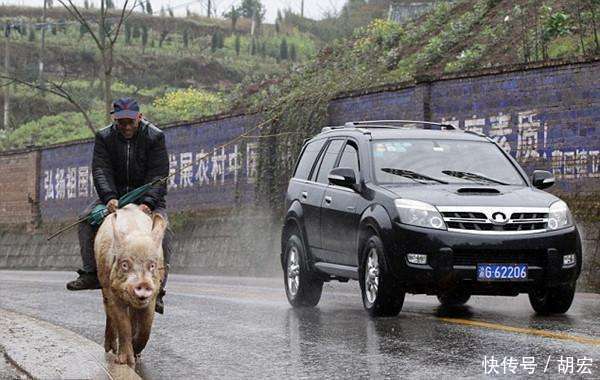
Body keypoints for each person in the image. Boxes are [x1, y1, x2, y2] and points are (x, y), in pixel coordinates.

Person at [66, 97, 173, 314]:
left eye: (130, 122)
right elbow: (101, 170)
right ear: (115, 120)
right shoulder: (104, 137)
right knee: (86, 219)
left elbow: (159, 175)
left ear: (139, 118)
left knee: (165, 232)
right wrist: (109, 197)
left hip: (147, 197)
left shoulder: (155, 137)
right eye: (121, 122)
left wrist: (148, 203)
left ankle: (158, 289)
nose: (125, 127)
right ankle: (90, 273)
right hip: (116, 198)